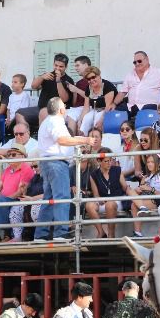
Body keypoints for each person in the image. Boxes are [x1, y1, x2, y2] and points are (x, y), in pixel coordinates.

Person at [33, 97, 95, 242]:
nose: (66, 110)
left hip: (49, 163)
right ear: (61, 110)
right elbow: (62, 140)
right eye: (65, 108)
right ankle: (61, 233)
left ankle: (41, 234)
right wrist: (85, 140)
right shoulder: (56, 121)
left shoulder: (47, 122)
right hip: (56, 163)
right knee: (62, 197)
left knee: (49, 199)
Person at [0, 144, 34, 242]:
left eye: (13, 155)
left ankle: (6, 233)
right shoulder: (8, 169)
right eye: (8, 155)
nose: (9, 157)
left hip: (19, 199)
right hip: (6, 199)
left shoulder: (27, 169)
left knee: (1, 200)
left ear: (22, 156)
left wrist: (5, 200)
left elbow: (20, 192)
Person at [86, 148, 128, 239]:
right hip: (103, 201)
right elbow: (96, 195)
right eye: (106, 161)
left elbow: (125, 187)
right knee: (89, 205)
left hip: (117, 200)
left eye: (110, 160)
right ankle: (101, 232)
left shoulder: (117, 170)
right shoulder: (94, 175)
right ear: (99, 161)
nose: (109, 163)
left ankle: (111, 234)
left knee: (110, 204)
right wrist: (99, 200)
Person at [114, 51, 160, 116]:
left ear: (147, 59)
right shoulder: (130, 75)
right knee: (116, 112)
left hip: (150, 107)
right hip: (131, 107)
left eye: (139, 61)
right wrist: (114, 104)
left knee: (144, 115)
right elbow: (123, 92)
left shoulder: (158, 73)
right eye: (134, 62)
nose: (137, 64)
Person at [129, 154, 160, 237]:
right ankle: (142, 208)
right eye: (148, 162)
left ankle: (138, 232)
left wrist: (151, 189)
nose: (149, 164)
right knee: (130, 190)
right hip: (145, 197)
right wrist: (138, 189)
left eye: (152, 162)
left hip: (157, 200)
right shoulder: (145, 177)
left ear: (159, 163)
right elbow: (140, 191)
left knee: (133, 205)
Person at [76, 66, 117, 135]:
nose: (91, 80)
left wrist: (101, 120)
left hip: (108, 110)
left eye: (93, 77)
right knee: (86, 119)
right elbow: (86, 108)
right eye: (88, 79)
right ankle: (84, 140)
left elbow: (108, 106)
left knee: (97, 120)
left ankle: (96, 140)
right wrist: (80, 121)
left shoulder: (107, 86)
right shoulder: (88, 88)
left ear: (99, 76)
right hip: (96, 109)